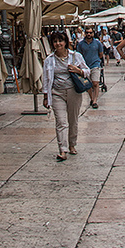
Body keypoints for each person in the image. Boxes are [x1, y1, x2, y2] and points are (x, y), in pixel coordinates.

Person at [42, 29, 92, 161]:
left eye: (60, 41)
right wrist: (46, 96)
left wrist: (78, 70)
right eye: (55, 41)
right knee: (61, 121)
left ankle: (72, 144)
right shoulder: (49, 60)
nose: (58, 44)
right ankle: (62, 149)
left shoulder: (75, 56)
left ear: (65, 42)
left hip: (73, 91)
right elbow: (46, 79)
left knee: (73, 120)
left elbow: (88, 71)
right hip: (56, 93)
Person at [76, 26, 104, 110]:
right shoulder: (81, 44)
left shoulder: (97, 43)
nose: (89, 34)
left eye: (90, 32)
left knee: (95, 83)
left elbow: (101, 54)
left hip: (95, 64)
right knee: (88, 85)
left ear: (93, 33)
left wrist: (97, 61)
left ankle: (95, 101)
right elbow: (78, 55)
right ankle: (91, 98)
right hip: (85, 66)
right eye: (87, 32)